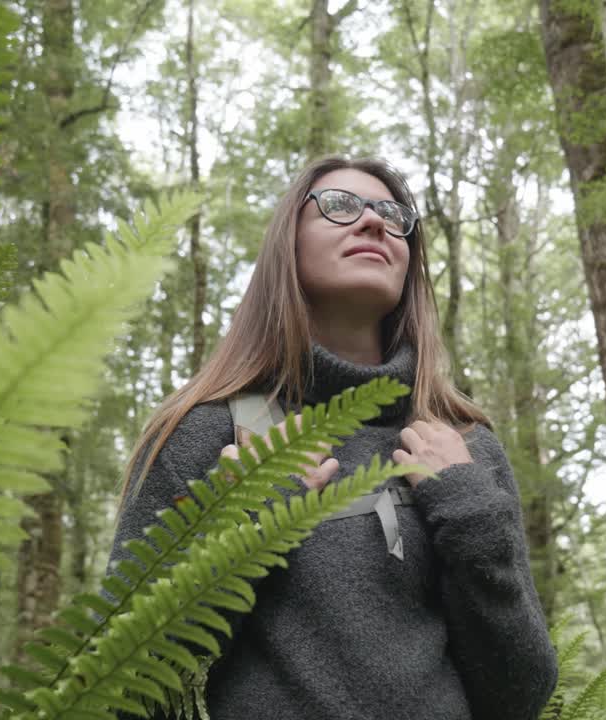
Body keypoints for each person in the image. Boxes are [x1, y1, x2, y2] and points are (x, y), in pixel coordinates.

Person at [106, 156, 557, 720]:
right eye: (340, 206)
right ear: (286, 247)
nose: (374, 224)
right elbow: (121, 683)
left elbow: (520, 696)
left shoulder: (462, 447)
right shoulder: (203, 431)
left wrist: (468, 514)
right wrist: (248, 524)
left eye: (393, 216)